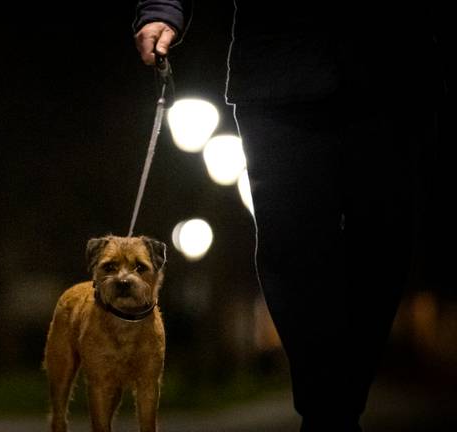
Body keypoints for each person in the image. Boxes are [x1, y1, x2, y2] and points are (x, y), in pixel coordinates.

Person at [133, 1, 442, 431]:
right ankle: (326, 410)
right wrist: (164, 7)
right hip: (278, 72)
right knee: (289, 247)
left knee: (384, 244)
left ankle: (339, 403)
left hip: (391, 67)